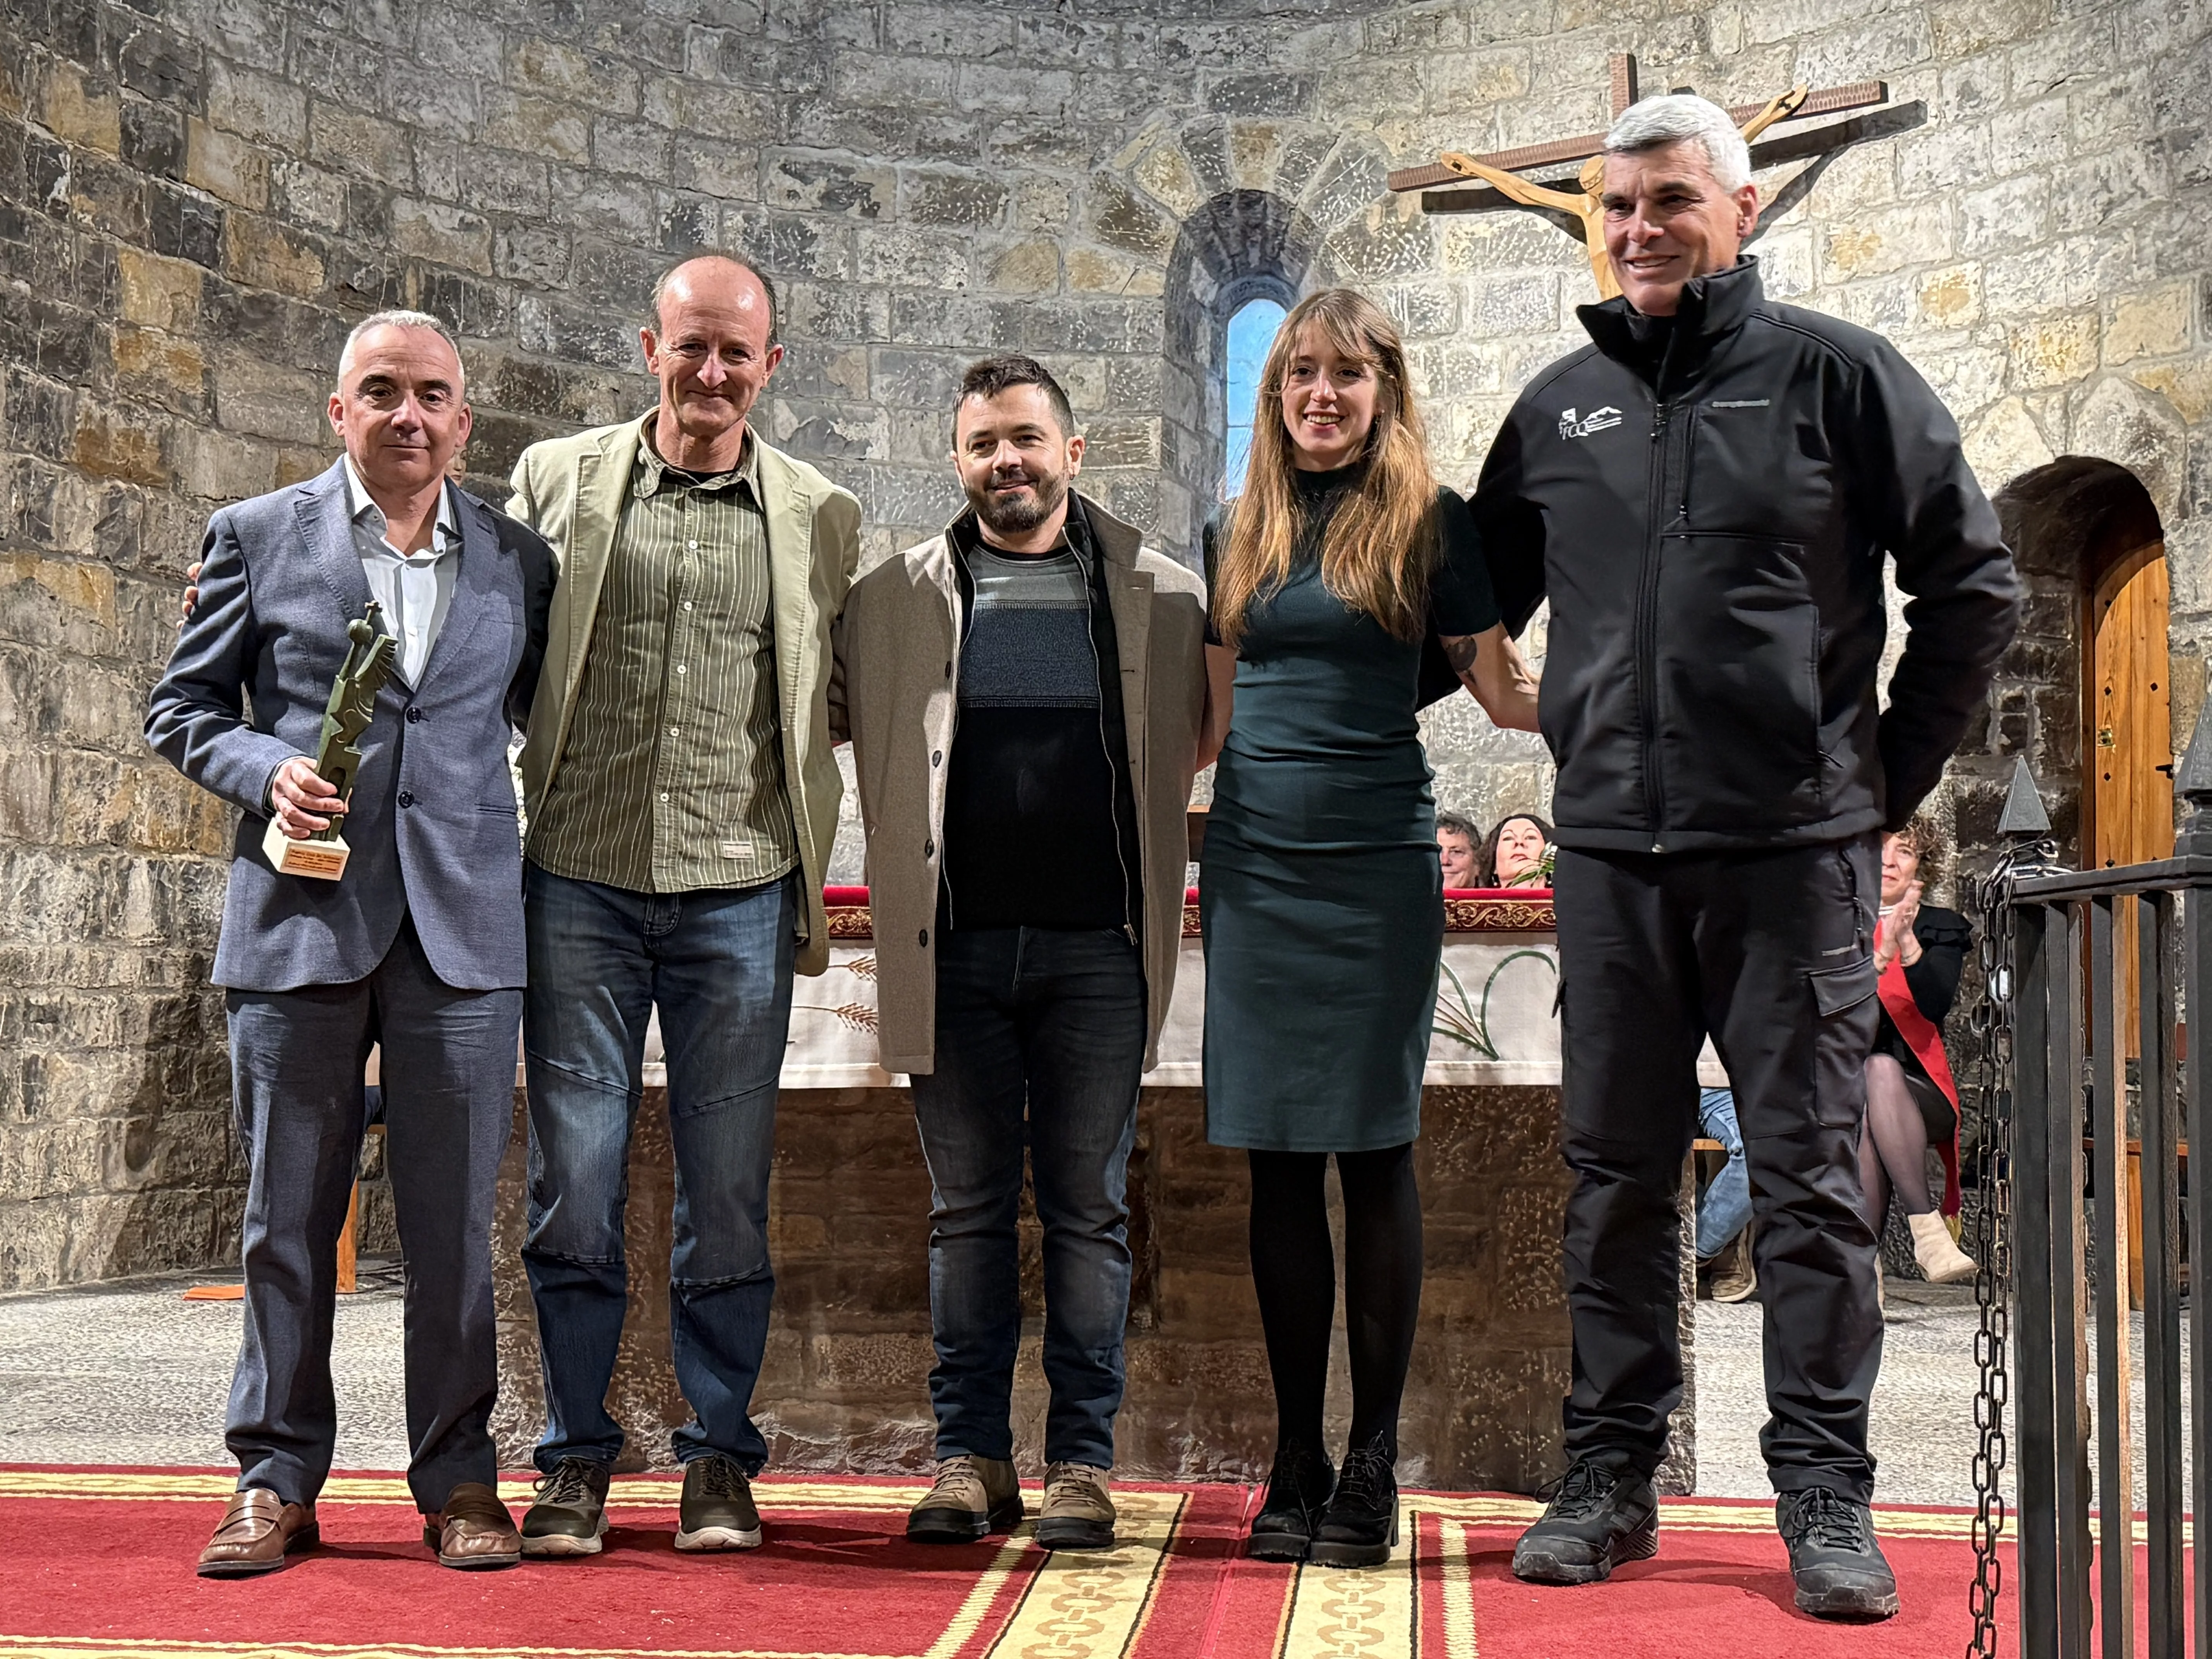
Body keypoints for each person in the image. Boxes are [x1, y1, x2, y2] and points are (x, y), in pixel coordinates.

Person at [1474, 93, 2020, 1619]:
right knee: (1614, 1183)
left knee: (1809, 1189)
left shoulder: (1842, 378)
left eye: (1670, 200)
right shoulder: (1560, 402)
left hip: (1793, 861)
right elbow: (1468, 586)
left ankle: (1828, 1499)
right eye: (1615, 206)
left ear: (1745, 205)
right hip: (1612, 863)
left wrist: (1879, 781)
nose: (1639, 228)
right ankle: (1610, 1476)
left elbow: (1972, 586)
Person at [148, 311, 556, 1575]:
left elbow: (539, 718)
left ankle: (460, 1481)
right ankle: (274, 1477)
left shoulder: (519, 563)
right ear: (339, 412)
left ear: (465, 420)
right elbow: (183, 709)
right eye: (380, 392)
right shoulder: (256, 538)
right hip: (297, 930)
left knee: (451, 1234)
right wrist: (269, 768)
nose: (408, 417)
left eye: (432, 395)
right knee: (286, 1219)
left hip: (461, 939)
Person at [504, 253, 861, 1558]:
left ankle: (721, 1456)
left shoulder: (820, 509)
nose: (713, 372)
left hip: (737, 892)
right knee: (575, 1187)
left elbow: (835, 700)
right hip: (579, 881)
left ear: (773, 367)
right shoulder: (557, 478)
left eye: (738, 353)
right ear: (647, 346)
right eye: (691, 346)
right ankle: (575, 1458)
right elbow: (497, 653)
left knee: (728, 1195)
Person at [832, 356, 1211, 1551]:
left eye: (1026, 439)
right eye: (983, 443)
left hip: (1098, 949)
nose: (1007, 460)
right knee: (965, 1216)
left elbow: (1197, 743)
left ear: (1072, 452)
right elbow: (830, 715)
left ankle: (1082, 1467)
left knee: (1091, 1211)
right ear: (956, 462)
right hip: (954, 950)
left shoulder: (1162, 591)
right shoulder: (891, 597)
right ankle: (968, 1458)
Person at [1198, 289, 1541, 1568]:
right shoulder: (1237, 530)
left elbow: (1506, 697)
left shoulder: (1434, 526)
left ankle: (1372, 1460)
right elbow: (1207, 728)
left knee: (1372, 1151)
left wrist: (1646, 698)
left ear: (1384, 391)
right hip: (1256, 866)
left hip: (1375, 866)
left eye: (1346, 374)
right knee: (1277, 1160)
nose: (1322, 395)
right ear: (1275, 396)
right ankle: (1294, 1456)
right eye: (1301, 375)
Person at [1864, 818, 1976, 1283]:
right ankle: (1903, 1250)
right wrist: (1876, 954)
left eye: (1904, 852)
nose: (1890, 861)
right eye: (1882, 849)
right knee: (1864, 1117)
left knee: (1882, 1068)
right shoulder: (1832, 925)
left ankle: (1905, 1241)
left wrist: (1905, 940)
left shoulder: (1938, 928)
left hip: (1921, 1091)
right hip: (1846, 1090)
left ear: (1920, 871)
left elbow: (1933, 1004)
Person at [1694, 1086, 1756, 1302]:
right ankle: (1696, 1247)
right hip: (1685, 1084)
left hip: (1734, 1087)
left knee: (1761, 1150)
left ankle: (1697, 1248)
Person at [1483, 811, 1554, 887]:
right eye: (1508, 838)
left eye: (1530, 837)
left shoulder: (1567, 899)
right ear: (1494, 866)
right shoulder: (1473, 899)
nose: (1519, 842)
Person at [1436, 811, 1482, 887]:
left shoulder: (1500, 899)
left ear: (1477, 864)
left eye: (1456, 852)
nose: (1445, 861)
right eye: (1437, 852)